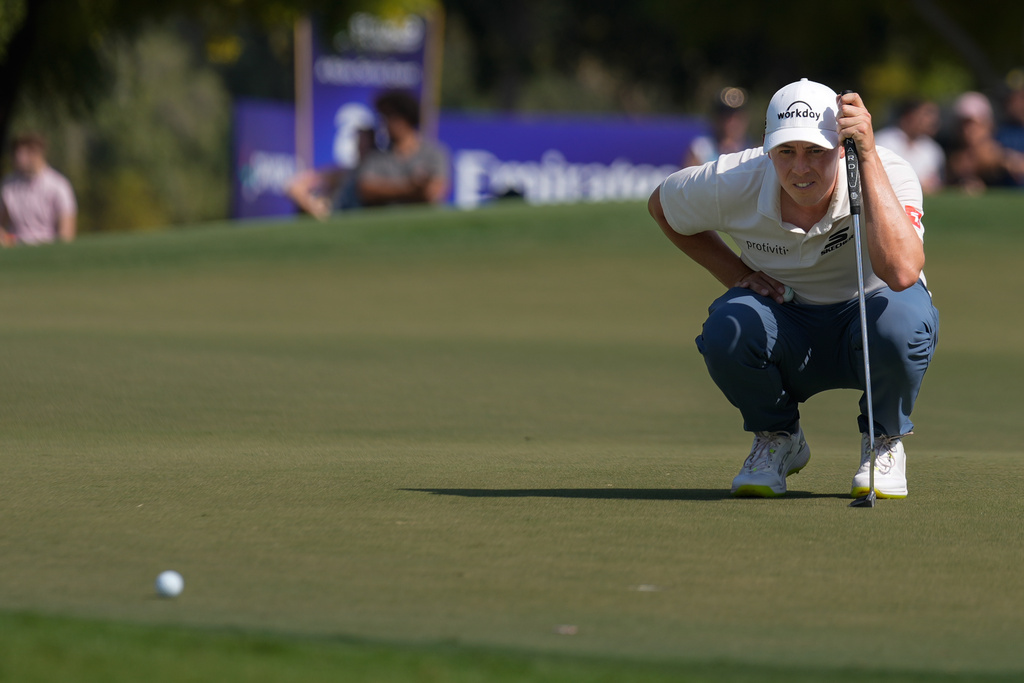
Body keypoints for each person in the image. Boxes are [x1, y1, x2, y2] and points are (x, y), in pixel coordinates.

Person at [648, 79, 939, 499]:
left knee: (904, 321)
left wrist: (869, 155)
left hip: (870, 316)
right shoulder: (734, 177)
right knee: (728, 328)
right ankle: (779, 437)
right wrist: (734, 273)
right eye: (786, 151)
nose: (800, 168)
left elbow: (901, 272)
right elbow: (662, 206)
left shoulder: (887, 169)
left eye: (816, 151)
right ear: (767, 148)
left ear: (841, 147)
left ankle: (883, 440)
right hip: (785, 321)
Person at [356, 90, 449, 206]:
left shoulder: (434, 153)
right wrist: (411, 188)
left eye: (391, 116)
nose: (386, 123)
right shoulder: (376, 157)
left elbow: (433, 192)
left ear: (406, 117)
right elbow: (366, 190)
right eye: (384, 117)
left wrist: (385, 188)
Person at [1, 133, 77, 246]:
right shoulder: (8, 185)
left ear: (36, 154)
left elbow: (66, 231)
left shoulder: (58, 185)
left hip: (47, 247)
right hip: (15, 246)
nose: (17, 157)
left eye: (22, 153)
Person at [945, 91, 1024, 192]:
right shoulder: (951, 154)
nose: (968, 130)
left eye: (974, 124)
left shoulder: (1007, 142)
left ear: (988, 124)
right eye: (963, 124)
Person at [874, 98, 946, 194]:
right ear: (909, 115)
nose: (931, 120)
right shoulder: (882, 141)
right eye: (926, 114)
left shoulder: (932, 150)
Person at [683, 88, 752, 168]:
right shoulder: (701, 148)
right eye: (726, 117)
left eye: (737, 117)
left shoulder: (755, 149)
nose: (732, 123)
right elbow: (690, 176)